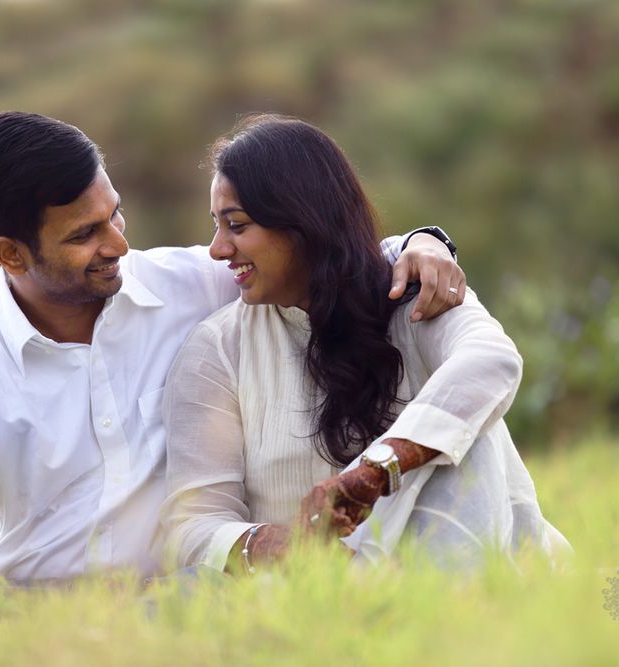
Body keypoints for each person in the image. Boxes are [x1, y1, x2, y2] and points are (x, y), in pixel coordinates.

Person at [0, 111, 465, 585]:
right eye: (85, 234)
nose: (115, 243)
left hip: (193, 613)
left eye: (115, 215)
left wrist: (423, 241)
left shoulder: (188, 285)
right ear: (12, 254)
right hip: (32, 616)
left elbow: (312, 258)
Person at [160, 115, 570, 575]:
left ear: (302, 221)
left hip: (464, 570)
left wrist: (375, 472)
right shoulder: (219, 349)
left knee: (465, 427)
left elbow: (491, 362)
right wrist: (279, 544)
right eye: (216, 225)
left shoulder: (411, 291)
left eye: (236, 225)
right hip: (325, 585)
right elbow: (192, 524)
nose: (217, 249)